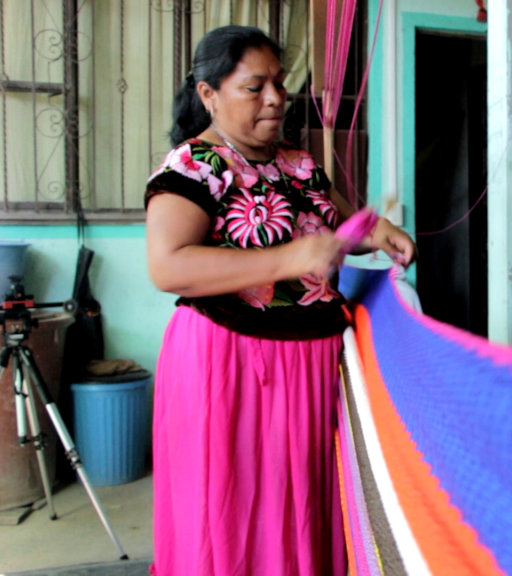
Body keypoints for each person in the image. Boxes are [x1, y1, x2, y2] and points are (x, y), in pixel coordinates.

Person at [144, 25, 415, 576]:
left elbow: (337, 225)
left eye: (279, 84)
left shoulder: (298, 163)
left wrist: (375, 228)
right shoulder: (193, 169)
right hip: (233, 367)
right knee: (239, 512)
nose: (274, 98)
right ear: (208, 95)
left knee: (307, 507)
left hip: (311, 367)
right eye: (254, 87)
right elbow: (169, 265)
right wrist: (288, 260)